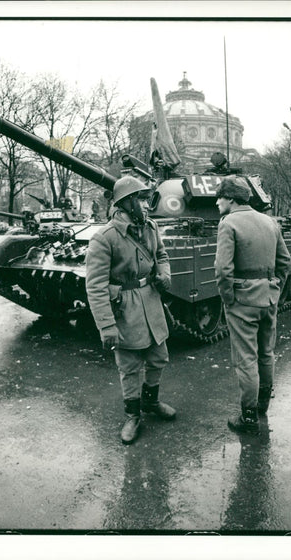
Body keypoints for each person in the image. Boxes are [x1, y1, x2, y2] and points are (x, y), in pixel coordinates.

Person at [85, 176, 175, 444]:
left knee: (159, 357)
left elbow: (161, 256)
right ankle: (133, 415)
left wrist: (164, 274)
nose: (147, 205)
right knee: (130, 367)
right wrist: (106, 325)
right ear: (126, 203)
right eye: (142, 199)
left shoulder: (150, 227)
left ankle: (151, 402)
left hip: (151, 300)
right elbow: (96, 286)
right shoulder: (104, 238)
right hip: (124, 307)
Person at [214, 176, 291, 435]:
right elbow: (285, 262)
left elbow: (223, 270)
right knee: (265, 353)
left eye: (220, 197)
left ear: (231, 199)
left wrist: (228, 299)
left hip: (242, 301)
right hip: (268, 298)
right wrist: (274, 287)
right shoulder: (270, 222)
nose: (217, 202)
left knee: (245, 359)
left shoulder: (228, 223)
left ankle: (248, 418)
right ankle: (262, 407)